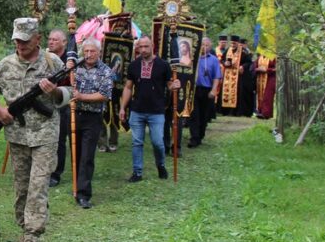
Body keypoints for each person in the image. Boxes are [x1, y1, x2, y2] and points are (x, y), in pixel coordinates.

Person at [0, 19, 71, 242]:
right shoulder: (5, 65)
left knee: (38, 186)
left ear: (38, 39)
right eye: (16, 40)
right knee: (22, 187)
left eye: (25, 40)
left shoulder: (54, 63)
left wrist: (54, 92)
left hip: (45, 135)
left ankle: (32, 237)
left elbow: (69, 94)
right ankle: (23, 229)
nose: (20, 44)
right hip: (17, 136)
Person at [118, 36, 180, 182]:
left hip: (156, 111)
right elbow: (128, 87)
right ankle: (137, 172)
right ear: (138, 47)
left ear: (152, 46)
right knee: (137, 142)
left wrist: (174, 85)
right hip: (137, 109)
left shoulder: (163, 65)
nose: (144, 50)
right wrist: (122, 107)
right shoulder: (133, 65)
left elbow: (169, 85)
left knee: (158, 142)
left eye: (146, 46)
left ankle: (161, 165)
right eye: (141, 47)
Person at [69, 38, 114, 209]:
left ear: (99, 52)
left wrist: (82, 97)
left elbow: (104, 95)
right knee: (76, 152)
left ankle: (83, 194)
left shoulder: (106, 71)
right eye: (86, 51)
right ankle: (76, 185)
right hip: (75, 115)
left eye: (92, 51)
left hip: (93, 118)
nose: (88, 55)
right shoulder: (75, 67)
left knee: (87, 156)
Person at [46, 29, 72, 188]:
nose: (51, 42)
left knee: (60, 139)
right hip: (46, 102)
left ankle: (56, 173)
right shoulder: (44, 57)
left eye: (55, 40)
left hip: (64, 102)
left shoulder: (70, 59)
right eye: (49, 39)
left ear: (64, 42)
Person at [188, 37, 222, 147]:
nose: (204, 47)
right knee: (194, 114)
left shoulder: (213, 60)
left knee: (204, 115)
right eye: (202, 45)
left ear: (210, 47)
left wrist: (213, 90)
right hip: (194, 89)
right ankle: (194, 137)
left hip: (207, 90)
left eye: (206, 45)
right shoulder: (192, 58)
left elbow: (217, 76)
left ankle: (200, 135)